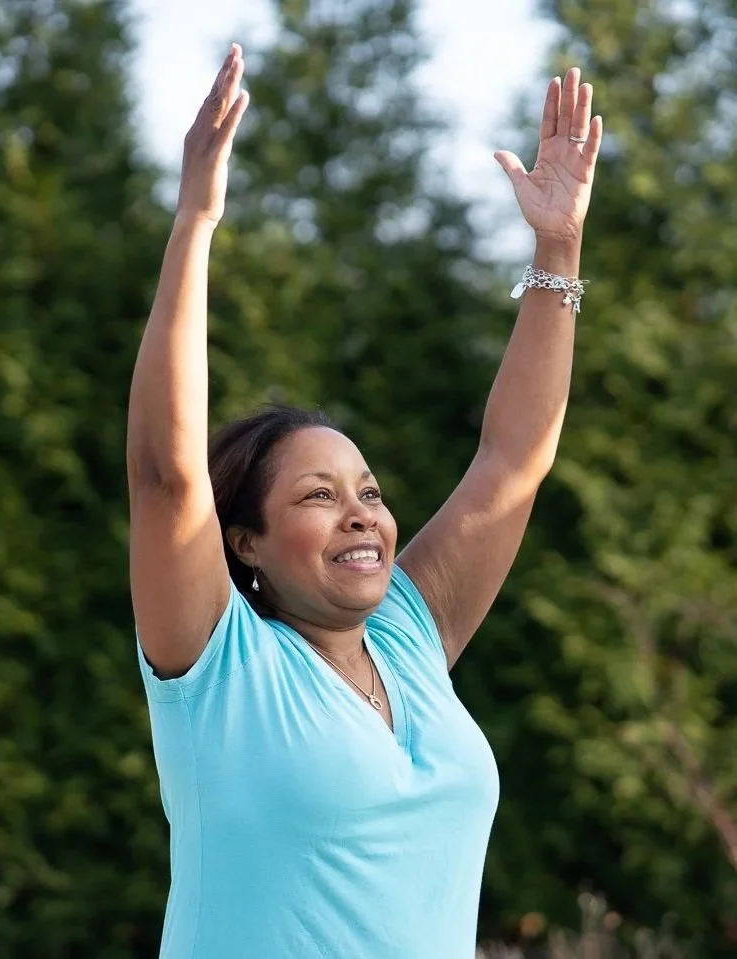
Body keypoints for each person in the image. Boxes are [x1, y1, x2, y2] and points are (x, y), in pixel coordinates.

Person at [126, 41, 602, 959]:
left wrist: (557, 248)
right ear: (246, 542)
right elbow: (166, 474)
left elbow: (511, 461)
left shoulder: (408, 639)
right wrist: (195, 219)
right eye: (317, 494)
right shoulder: (216, 668)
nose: (362, 513)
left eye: (369, 492)